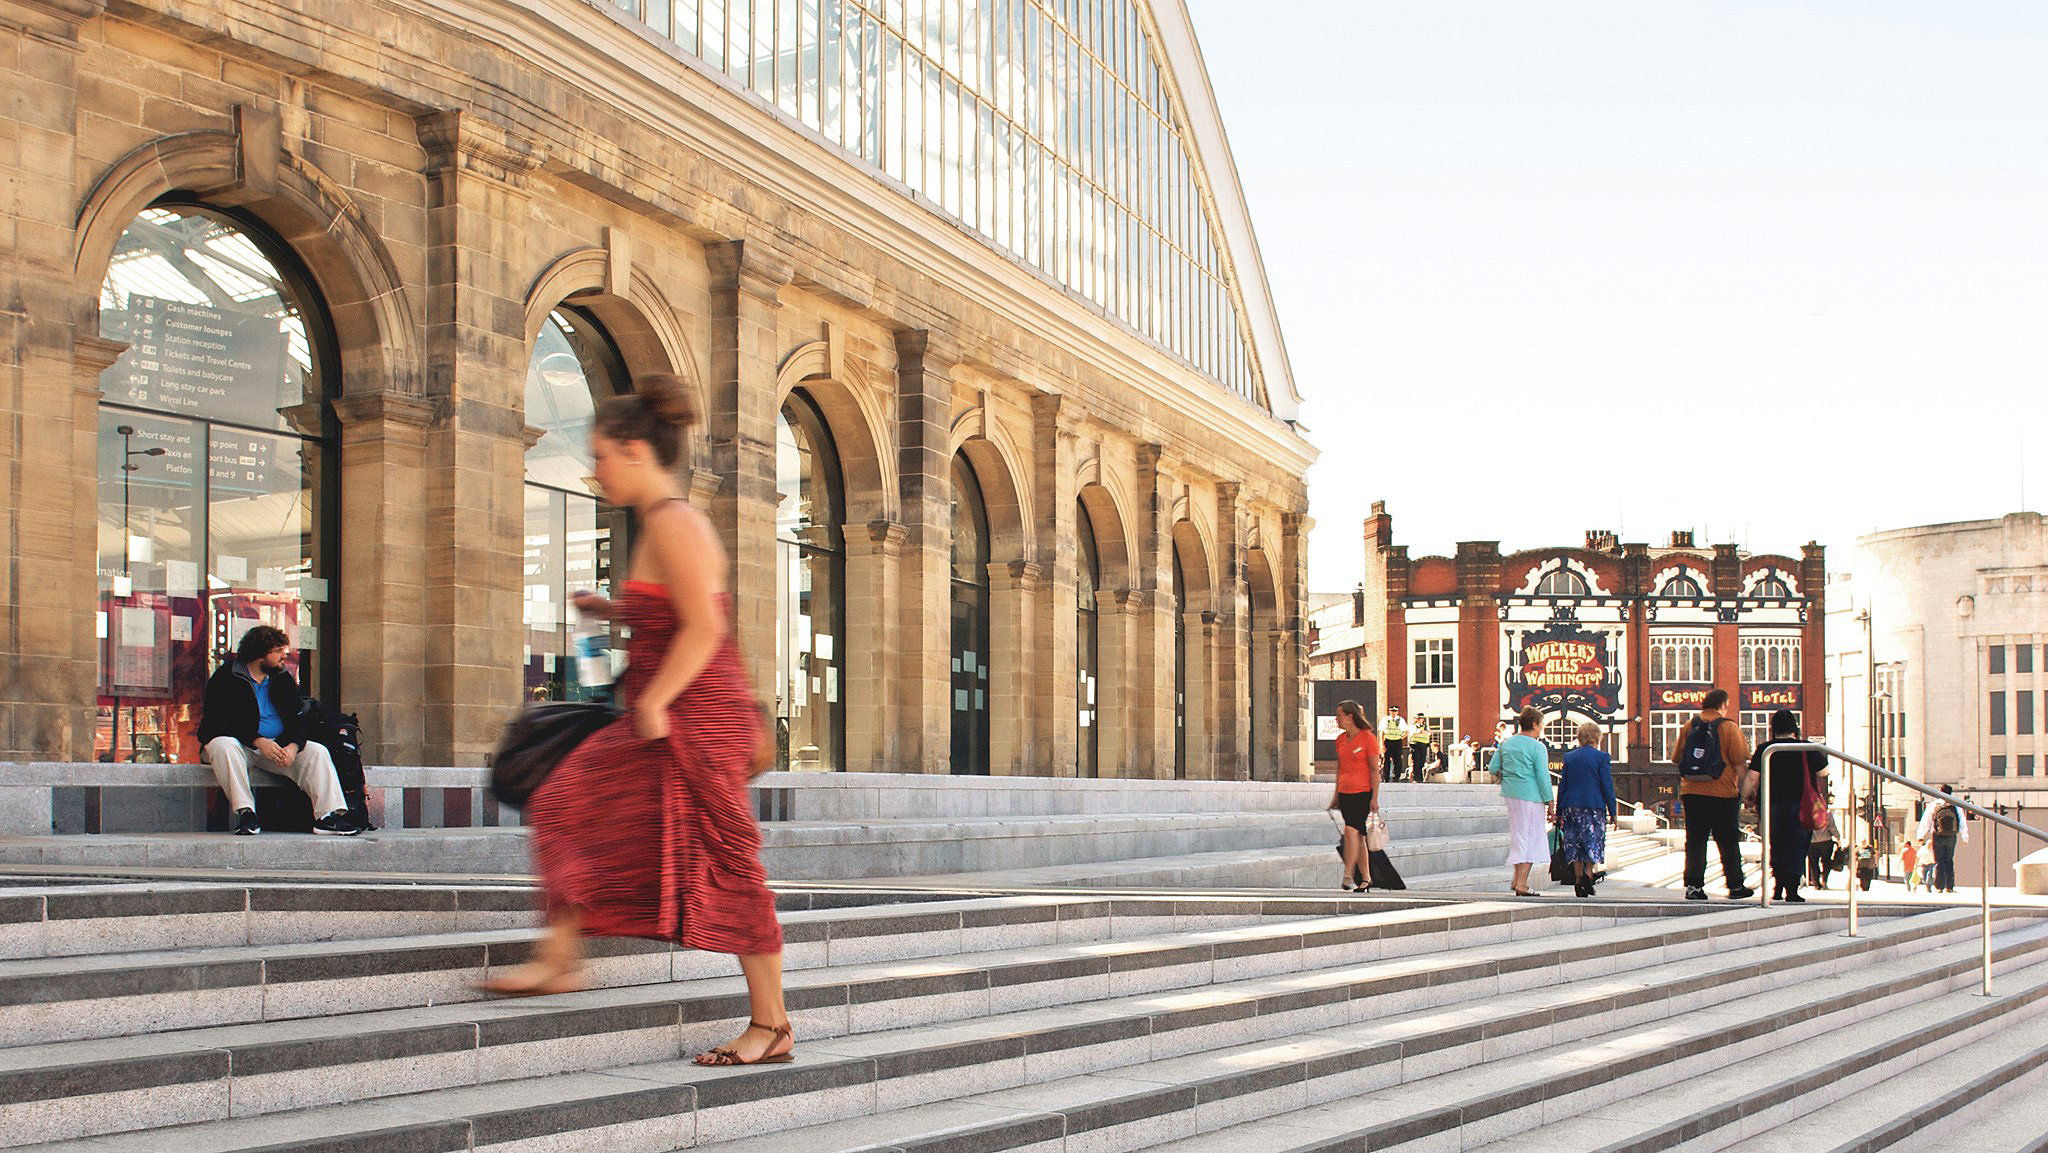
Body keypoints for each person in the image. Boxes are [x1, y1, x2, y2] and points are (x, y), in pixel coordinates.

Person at [484, 373, 791, 1068]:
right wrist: (615, 611)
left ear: (632, 450)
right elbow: (674, 610)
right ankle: (559, 954)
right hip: (674, 716)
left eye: (598, 455)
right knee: (566, 800)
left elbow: (706, 628)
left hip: (692, 720)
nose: (594, 471)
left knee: (730, 862)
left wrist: (654, 701)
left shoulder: (675, 521)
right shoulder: (663, 521)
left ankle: (772, 1023)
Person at [198, 625, 361, 837]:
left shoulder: (282, 678)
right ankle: (247, 814)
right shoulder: (227, 677)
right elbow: (214, 723)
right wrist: (257, 741)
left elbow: (299, 719)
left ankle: (328, 817)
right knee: (222, 744)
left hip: (277, 747)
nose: (285, 655)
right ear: (260, 653)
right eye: (278, 651)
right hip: (241, 748)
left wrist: (293, 746)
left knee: (316, 751)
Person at [1676, 688, 1755, 901]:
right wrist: (1747, 793)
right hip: (1723, 793)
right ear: (1724, 704)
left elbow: (1677, 758)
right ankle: (1735, 885)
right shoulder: (1729, 727)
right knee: (1728, 839)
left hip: (1691, 791)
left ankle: (1694, 886)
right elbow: (1739, 763)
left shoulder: (1689, 726)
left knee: (1695, 840)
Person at [1750, 709, 1825, 903]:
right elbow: (1824, 772)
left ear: (1773, 728)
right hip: (1801, 806)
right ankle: (1792, 889)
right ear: (1794, 727)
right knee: (1797, 846)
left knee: (1776, 845)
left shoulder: (1765, 749)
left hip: (1771, 805)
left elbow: (1752, 778)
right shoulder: (1806, 748)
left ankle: (1778, 886)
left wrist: (1746, 796)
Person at [1495, 706, 1555, 896]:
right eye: (1541, 725)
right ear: (1535, 724)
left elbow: (1493, 767)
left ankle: (1516, 879)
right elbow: (1543, 776)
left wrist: (1509, 774)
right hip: (1531, 796)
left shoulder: (1506, 743)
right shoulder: (1537, 747)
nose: (1541, 729)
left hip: (1511, 794)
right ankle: (1521, 883)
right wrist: (1550, 801)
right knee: (1531, 837)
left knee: (1519, 835)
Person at [1325, 700, 1381, 892]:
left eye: (1339, 715)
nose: (1336, 718)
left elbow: (1375, 770)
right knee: (1359, 837)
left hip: (1362, 793)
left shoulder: (1368, 739)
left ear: (1350, 716)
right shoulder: (1340, 740)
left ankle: (1348, 874)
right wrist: (1335, 795)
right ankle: (1366, 878)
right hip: (1346, 793)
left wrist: (1374, 798)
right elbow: (1340, 769)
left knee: (1351, 831)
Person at [1556, 721, 1616, 897]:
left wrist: (1559, 811)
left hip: (1571, 806)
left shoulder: (1570, 757)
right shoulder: (1601, 757)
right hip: (1593, 806)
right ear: (1597, 737)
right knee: (1591, 841)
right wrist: (1613, 811)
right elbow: (1607, 786)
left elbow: (1563, 785)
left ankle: (1577, 879)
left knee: (1575, 843)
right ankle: (1588, 877)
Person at [1915, 786, 1969, 894]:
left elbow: (1926, 821)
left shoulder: (1934, 805)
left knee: (1939, 861)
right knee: (1949, 860)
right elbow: (1962, 821)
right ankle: (1949, 886)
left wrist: (1920, 836)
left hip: (1937, 835)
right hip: (1951, 835)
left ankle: (1939, 886)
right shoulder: (1955, 805)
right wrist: (1965, 837)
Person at [1809, 802, 1839, 889]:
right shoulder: (1827, 813)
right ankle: (1824, 880)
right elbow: (1832, 827)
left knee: (1813, 863)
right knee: (1826, 862)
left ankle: (1816, 883)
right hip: (1826, 841)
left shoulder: (1810, 813)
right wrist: (1838, 837)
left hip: (1812, 842)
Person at [1380, 707, 1408, 783]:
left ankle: (1396, 777)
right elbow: (1381, 732)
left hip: (1397, 742)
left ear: (1397, 712)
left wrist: (1400, 737)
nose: (1393, 713)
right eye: (1392, 711)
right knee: (1386, 760)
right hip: (1388, 741)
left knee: (1398, 760)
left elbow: (1406, 731)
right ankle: (1386, 778)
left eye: (1395, 711)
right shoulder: (1385, 720)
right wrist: (1382, 744)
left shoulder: (1400, 720)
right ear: (1389, 711)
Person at [1408, 716, 1432, 784]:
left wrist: (1421, 731)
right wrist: (1422, 732)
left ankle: (1420, 778)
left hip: (1423, 746)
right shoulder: (1413, 726)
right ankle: (1416, 778)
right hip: (1415, 745)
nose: (1419, 720)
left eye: (1421, 718)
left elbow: (1429, 733)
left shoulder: (1425, 726)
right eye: (1418, 718)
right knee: (1416, 761)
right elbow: (1414, 733)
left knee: (1422, 761)